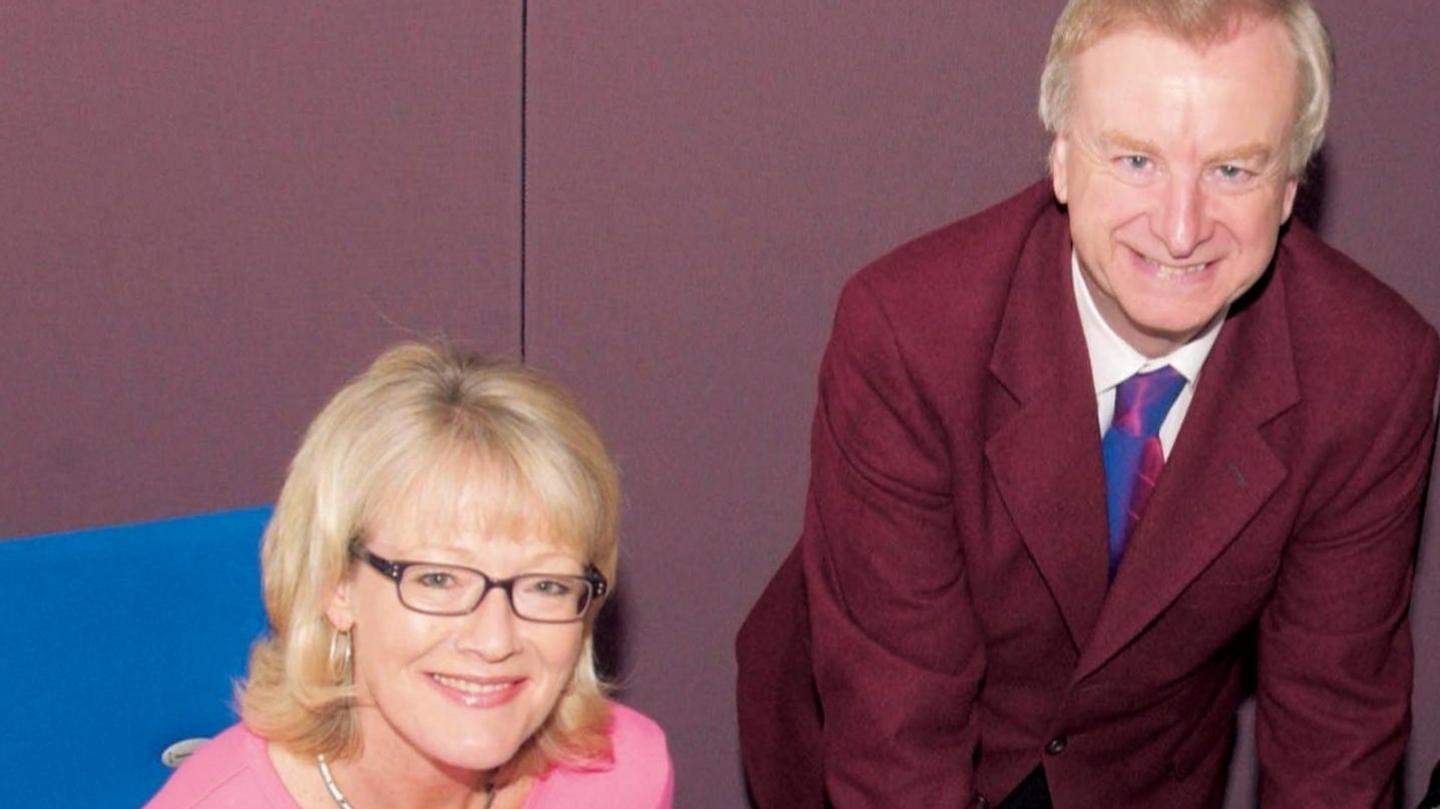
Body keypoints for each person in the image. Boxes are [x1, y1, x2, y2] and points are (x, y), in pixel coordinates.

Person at [736, 1, 1439, 807]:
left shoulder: (1369, 375)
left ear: (1289, 188)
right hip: (885, 746)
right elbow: (900, 745)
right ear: (1063, 161)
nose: (1181, 230)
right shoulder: (909, 335)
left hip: (1143, 773)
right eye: (1136, 160)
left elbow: (1334, 740)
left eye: (1232, 170)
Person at [149, 342, 673, 809]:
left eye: (545, 586)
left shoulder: (621, 777)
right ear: (337, 583)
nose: (494, 640)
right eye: (438, 580)